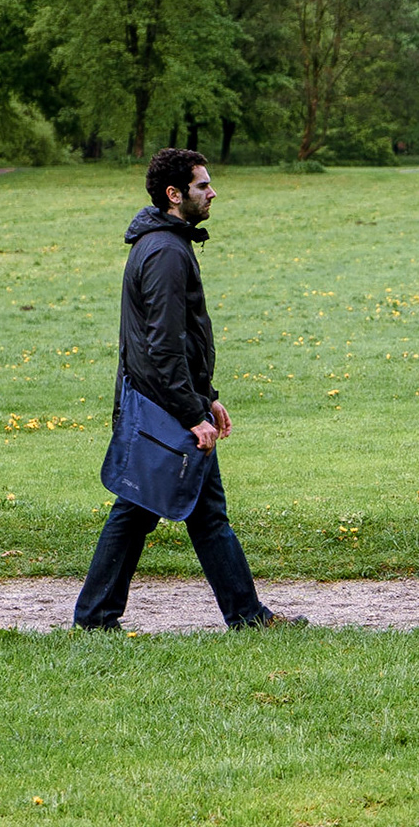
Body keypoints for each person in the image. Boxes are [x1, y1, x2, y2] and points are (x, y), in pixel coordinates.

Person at [74, 148, 301, 630]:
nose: (213, 192)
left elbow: (183, 338)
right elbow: (163, 345)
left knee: (183, 512)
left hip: (169, 401)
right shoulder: (165, 252)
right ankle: (99, 618)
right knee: (147, 512)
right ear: (174, 194)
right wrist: (191, 413)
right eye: (202, 185)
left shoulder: (167, 244)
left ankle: (242, 615)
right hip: (163, 409)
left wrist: (207, 396)